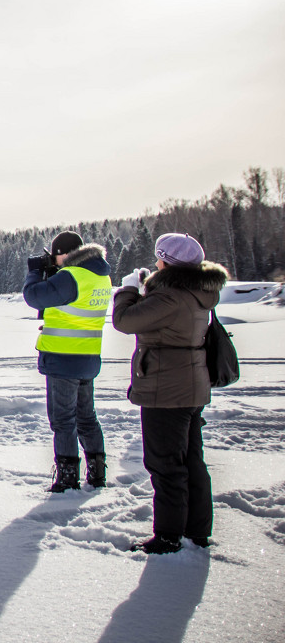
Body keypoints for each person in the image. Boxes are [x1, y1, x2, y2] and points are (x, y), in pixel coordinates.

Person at [111, 233, 227, 554]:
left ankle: (168, 536)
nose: (156, 263)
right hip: (192, 383)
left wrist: (128, 289)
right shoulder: (197, 290)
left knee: (165, 464)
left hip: (166, 387)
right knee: (191, 460)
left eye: (159, 258)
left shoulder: (170, 296)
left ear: (167, 262)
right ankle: (197, 531)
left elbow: (125, 320)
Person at [23, 230, 113, 492]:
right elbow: (72, 308)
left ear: (63, 254)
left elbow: (33, 296)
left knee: (63, 420)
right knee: (87, 418)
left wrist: (34, 273)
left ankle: (67, 476)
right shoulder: (99, 275)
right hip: (88, 356)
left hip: (64, 359)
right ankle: (97, 472)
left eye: (55, 255)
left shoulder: (71, 276)